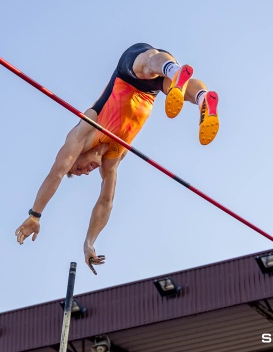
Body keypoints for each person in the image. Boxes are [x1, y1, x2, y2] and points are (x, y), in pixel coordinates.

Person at [14, 43, 219, 274]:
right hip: (152, 89)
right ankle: (204, 99)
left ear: (75, 159)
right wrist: (89, 243)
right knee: (178, 85)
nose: (87, 171)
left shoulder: (85, 131)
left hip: (130, 70)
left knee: (148, 67)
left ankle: (174, 72)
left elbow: (57, 173)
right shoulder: (112, 159)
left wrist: (35, 215)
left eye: (79, 170)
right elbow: (105, 201)